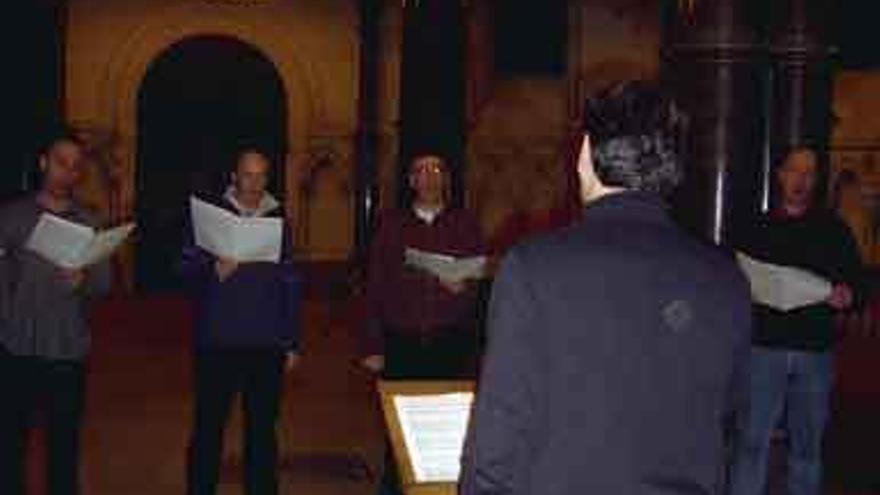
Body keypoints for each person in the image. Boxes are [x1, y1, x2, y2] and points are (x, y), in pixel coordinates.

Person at [459, 81, 752, 495]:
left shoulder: (534, 268)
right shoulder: (725, 276)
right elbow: (732, 419)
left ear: (583, 158)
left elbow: (502, 433)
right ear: (674, 169)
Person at [729, 148, 864, 495]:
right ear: (780, 175)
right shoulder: (754, 228)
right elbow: (731, 280)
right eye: (794, 171)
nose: (801, 180)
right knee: (751, 444)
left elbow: (858, 284)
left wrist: (849, 295)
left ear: (817, 181)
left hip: (814, 353)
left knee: (807, 450)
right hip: (763, 350)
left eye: (809, 173)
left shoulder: (834, 231)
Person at [362, 153, 486, 495]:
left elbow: (480, 279)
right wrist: (372, 346)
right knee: (398, 428)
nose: (429, 176)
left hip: (450, 339)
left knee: (446, 427)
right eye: (420, 170)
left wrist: (465, 287)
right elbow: (375, 285)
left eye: (436, 169)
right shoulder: (392, 225)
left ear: (446, 178)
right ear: (411, 181)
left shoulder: (465, 224)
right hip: (402, 340)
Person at [182, 148, 301, 495]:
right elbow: (183, 270)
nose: (255, 184)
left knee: (262, 433)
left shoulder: (278, 219)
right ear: (234, 177)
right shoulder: (209, 217)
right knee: (208, 429)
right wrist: (211, 269)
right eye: (248, 175)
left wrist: (291, 341)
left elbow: (290, 282)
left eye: (261, 176)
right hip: (217, 340)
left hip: (265, 343)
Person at [0, 129, 112, 495]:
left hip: (67, 349)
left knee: (64, 448)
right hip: (16, 347)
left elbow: (104, 285)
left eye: (76, 167)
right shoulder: (12, 216)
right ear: (44, 163)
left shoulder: (89, 221)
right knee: (10, 448)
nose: (68, 172)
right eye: (61, 163)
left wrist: (84, 280)